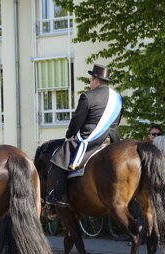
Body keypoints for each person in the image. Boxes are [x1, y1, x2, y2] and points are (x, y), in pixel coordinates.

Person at [45, 64, 123, 212]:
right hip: (112, 140)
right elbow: (116, 122)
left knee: (59, 158)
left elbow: (76, 121)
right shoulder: (118, 98)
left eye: (91, 80)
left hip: (90, 140)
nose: (90, 83)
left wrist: (69, 135)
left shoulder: (87, 97)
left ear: (96, 80)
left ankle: (60, 197)